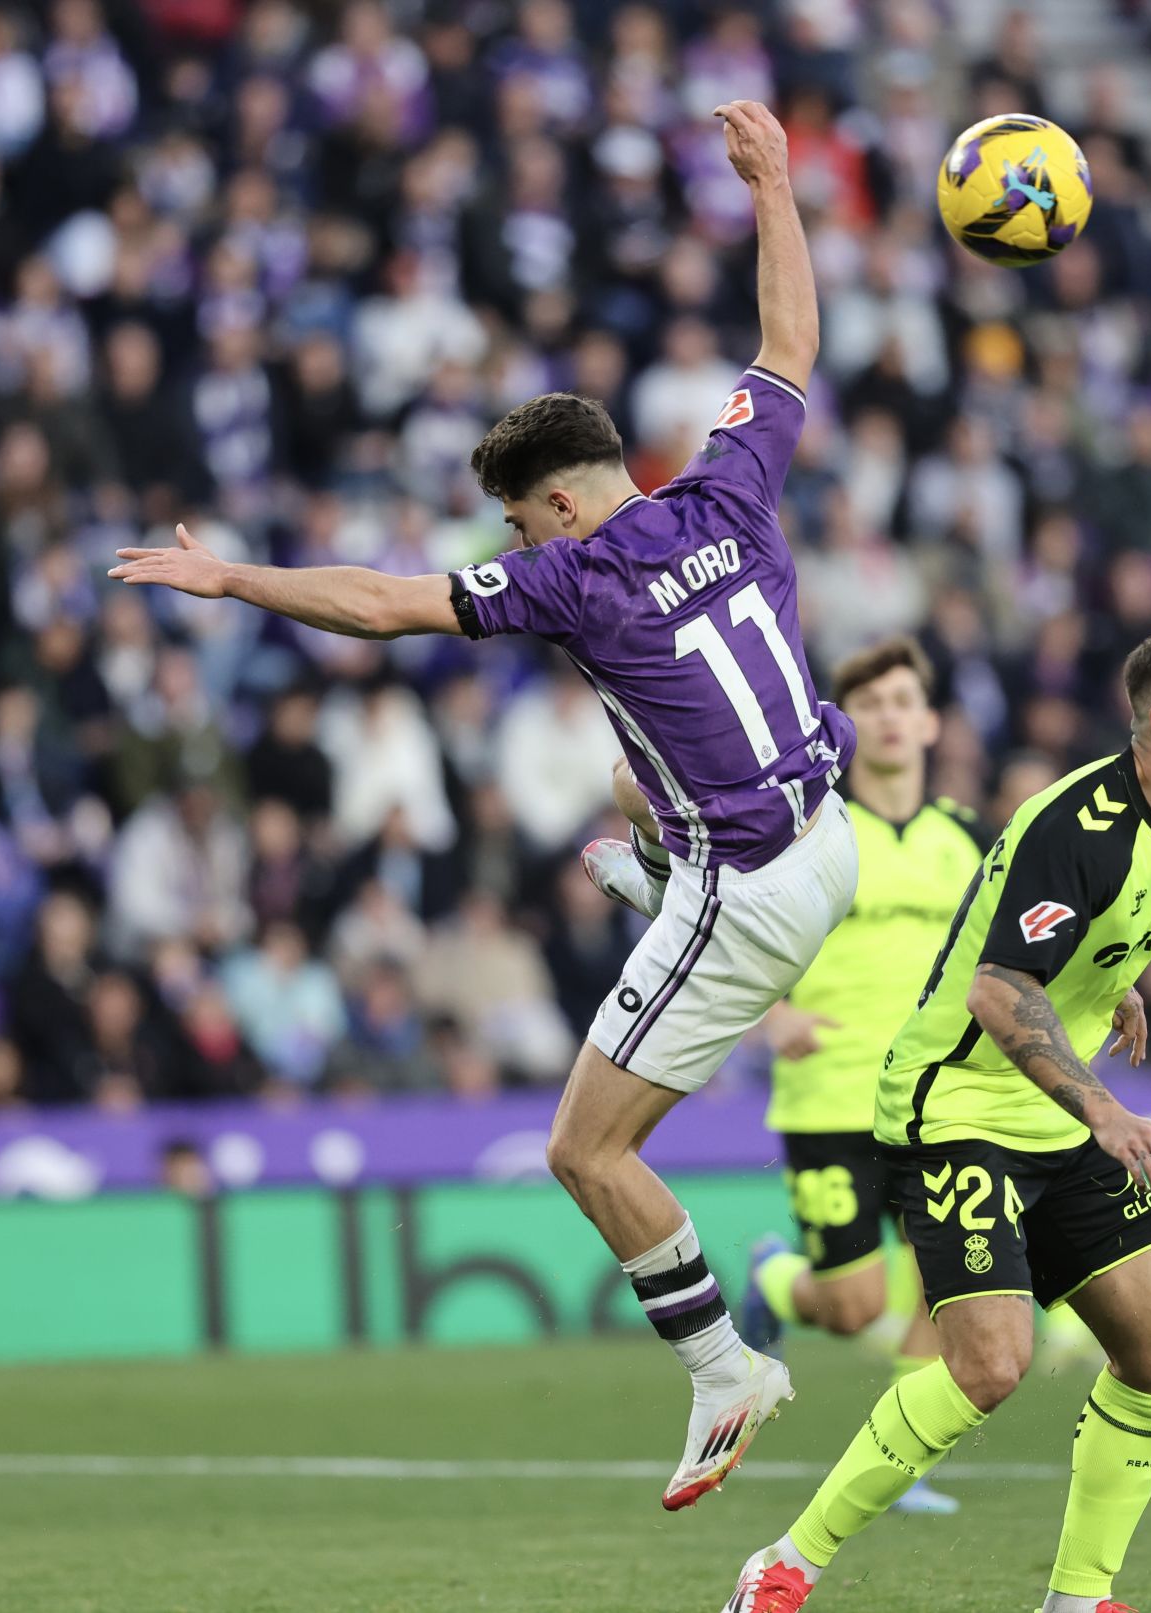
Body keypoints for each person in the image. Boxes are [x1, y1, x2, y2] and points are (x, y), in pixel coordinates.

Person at [108, 102, 857, 1513]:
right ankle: (655, 873)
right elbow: (789, 346)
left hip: (752, 886)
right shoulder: (727, 486)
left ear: (559, 510)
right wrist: (773, 188)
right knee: (637, 789)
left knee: (585, 1149)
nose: (511, 548)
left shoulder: (573, 574)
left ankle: (724, 1371)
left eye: (516, 524)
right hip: (831, 836)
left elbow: (390, 607)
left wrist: (237, 581)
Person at [721, 628, 1151, 1613]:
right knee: (988, 1362)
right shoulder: (1083, 821)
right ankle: (785, 1564)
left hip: (1048, 1115)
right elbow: (996, 986)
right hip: (956, 1108)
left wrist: (1118, 983)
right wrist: (1107, 1110)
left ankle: (1077, 1597)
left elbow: (1073, 930)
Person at [740, 637, 990, 1515]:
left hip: (936, 1101)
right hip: (831, 1096)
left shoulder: (967, 838)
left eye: (902, 699)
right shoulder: (807, 830)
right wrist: (771, 1016)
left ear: (928, 721)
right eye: (870, 702)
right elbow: (729, 930)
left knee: (944, 1282)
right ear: (845, 727)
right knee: (850, 1306)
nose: (888, 714)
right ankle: (773, 1277)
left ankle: (901, 1458)